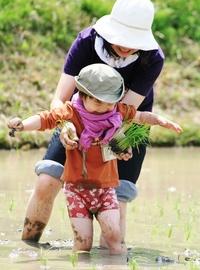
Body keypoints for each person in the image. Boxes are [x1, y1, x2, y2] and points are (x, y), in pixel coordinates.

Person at [19, 0, 166, 245]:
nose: (128, 45)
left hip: (124, 126)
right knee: (47, 179)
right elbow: (60, 99)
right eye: (123, 37)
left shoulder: (152, 58)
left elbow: (123, 115)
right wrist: (66, 125)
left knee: (116, 201)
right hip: (78, 118)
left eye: (134, 40)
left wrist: (114, 150)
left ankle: (110, 260)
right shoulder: (87, 42)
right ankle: (28, 247)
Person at [8, 64, 182, 253]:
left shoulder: (117, 112)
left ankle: (116, 265)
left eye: (109, 102)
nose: (105, 108)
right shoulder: (70, 113)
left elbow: (140, 116)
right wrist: (22, 125)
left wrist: (161, 120)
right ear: (83, 96)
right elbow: (44, 119)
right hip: (76, 191)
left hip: (106, 190)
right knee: (83, 242)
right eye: (98, 102)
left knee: (114, 236)